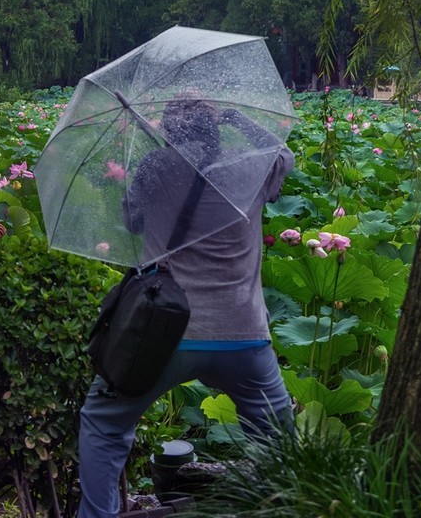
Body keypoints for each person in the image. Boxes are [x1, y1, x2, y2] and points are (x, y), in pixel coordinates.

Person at [77, 97, 295, 518]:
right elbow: (283, 154)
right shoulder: (251, 167)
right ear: (215, 128)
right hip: (243, 331)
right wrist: (237, 118)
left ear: (171, 132)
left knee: (104, 423)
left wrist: (151, 159)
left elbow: (130, 221)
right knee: (277, 438)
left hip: (164, 333)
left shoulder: (155, 167)